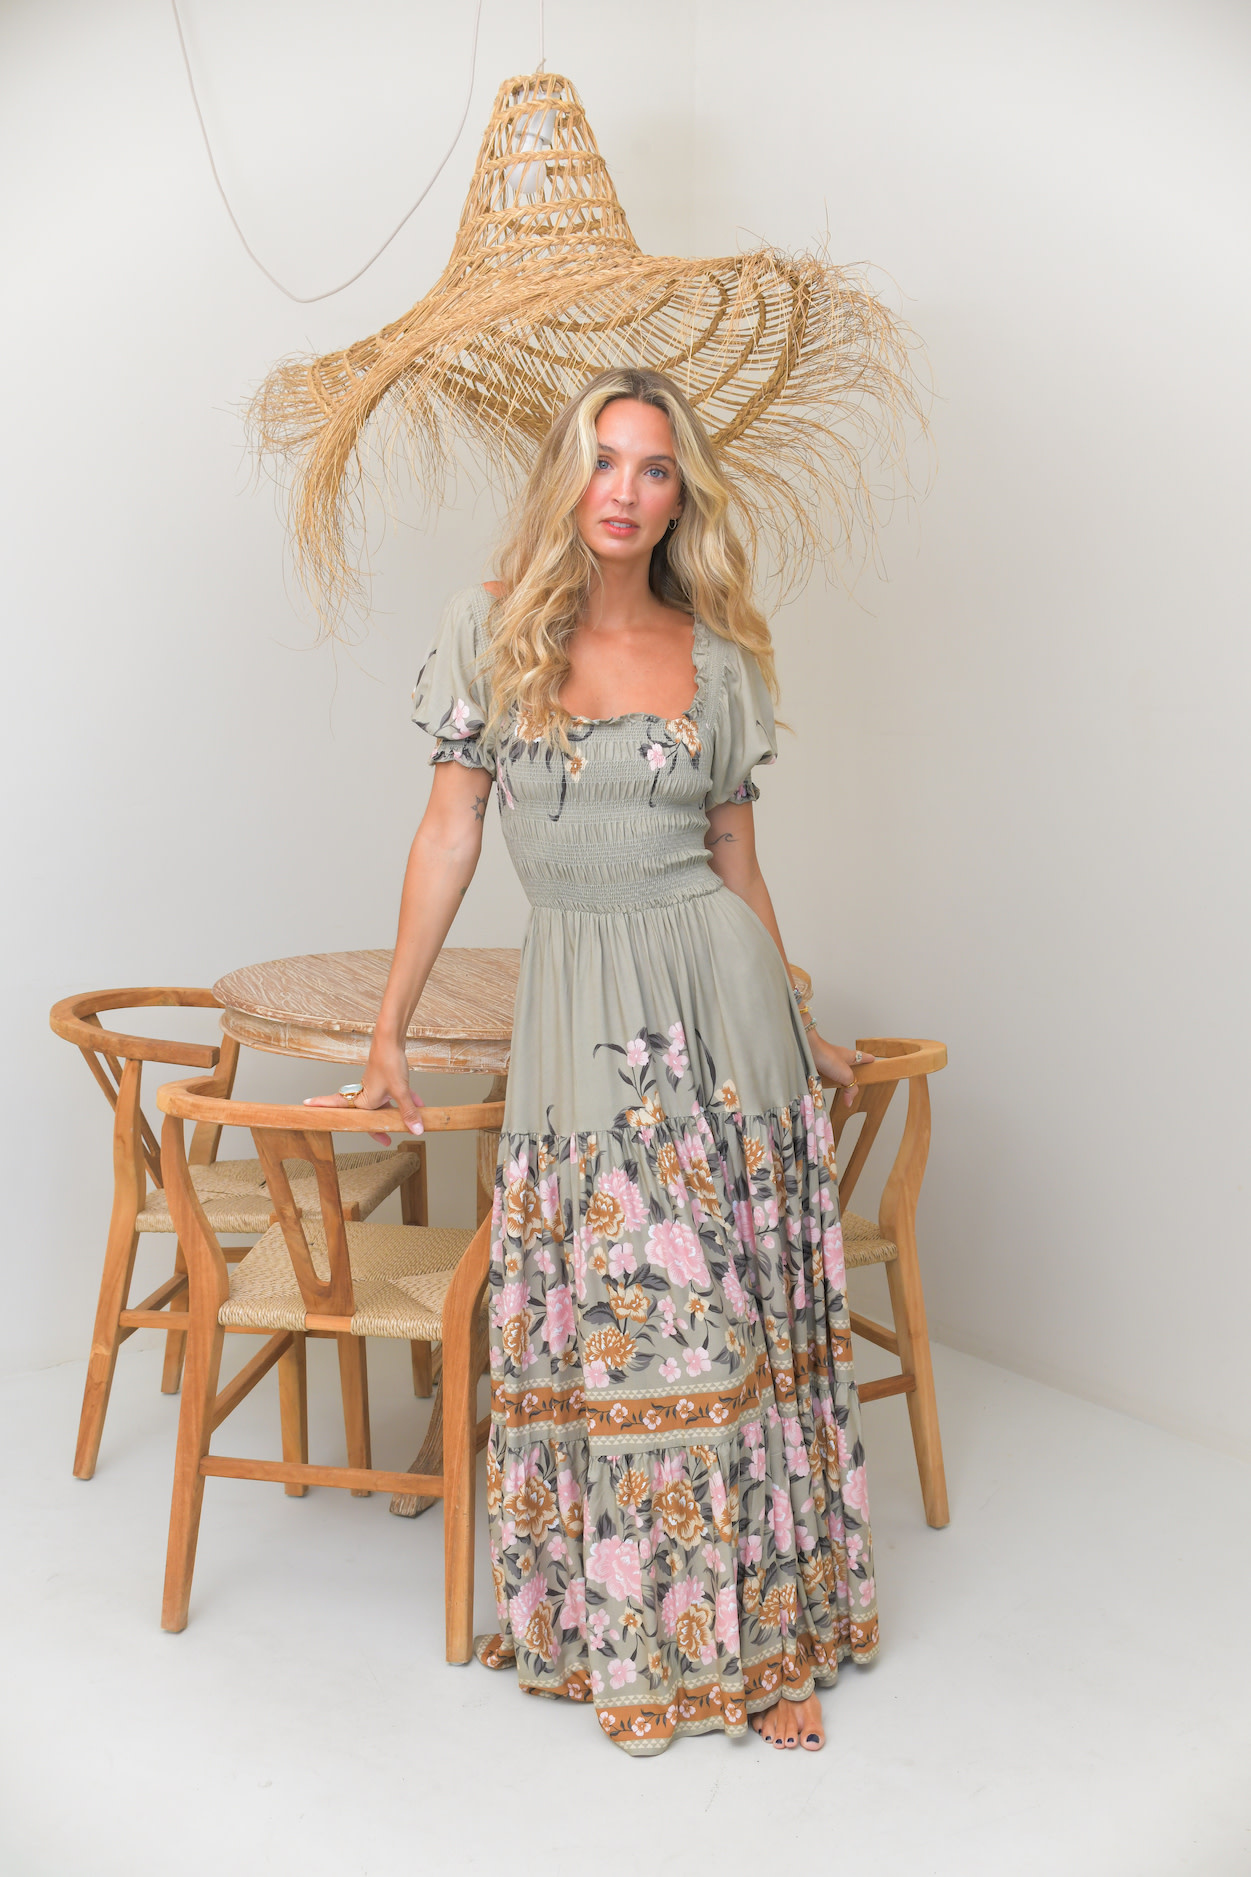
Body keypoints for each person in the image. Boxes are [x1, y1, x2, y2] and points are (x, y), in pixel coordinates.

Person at [308, 368, 879, 1757]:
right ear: (567, 479)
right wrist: (389, 1027)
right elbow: (449, 834)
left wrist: (798, 1015)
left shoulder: (717, 657)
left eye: (654, 468)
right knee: (628, 1317)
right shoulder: (492, 632)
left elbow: (738, 863)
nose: (624, 490)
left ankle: (762, 1646)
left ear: (682, 499)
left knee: (735, 1324)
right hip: (581, 1016)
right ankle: (630, 1630)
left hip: (724, 1014)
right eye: (603, 460)